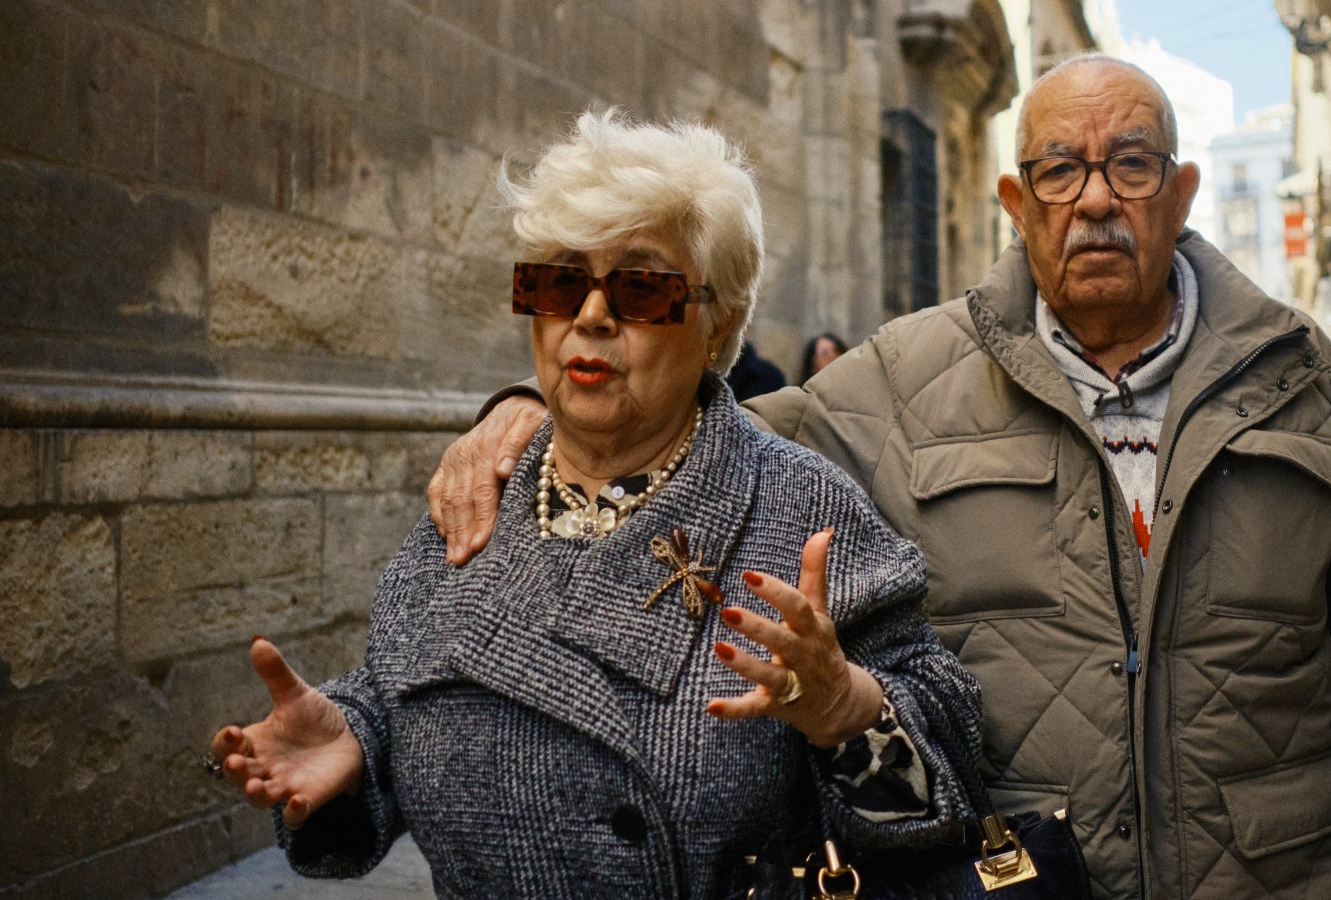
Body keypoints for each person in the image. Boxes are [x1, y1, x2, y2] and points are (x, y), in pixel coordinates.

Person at [431, 57, 1331, 899]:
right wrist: (527, 410)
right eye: (1061, 171)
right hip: (1016, 872)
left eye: (1131, 165)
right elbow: (691, 432)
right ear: (1016, 203)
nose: (1096, 200)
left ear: (1181, 191)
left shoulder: (1298, 376)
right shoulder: (900, 379)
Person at [207, 111, 983, 899]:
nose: (589, 315)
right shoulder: (476, 496)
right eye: (557, 280)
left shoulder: (798, 504)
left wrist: (845, 710)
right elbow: (405, 687)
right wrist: (354, 741)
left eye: (641, 287)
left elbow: (950, 764)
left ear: (715, 327)